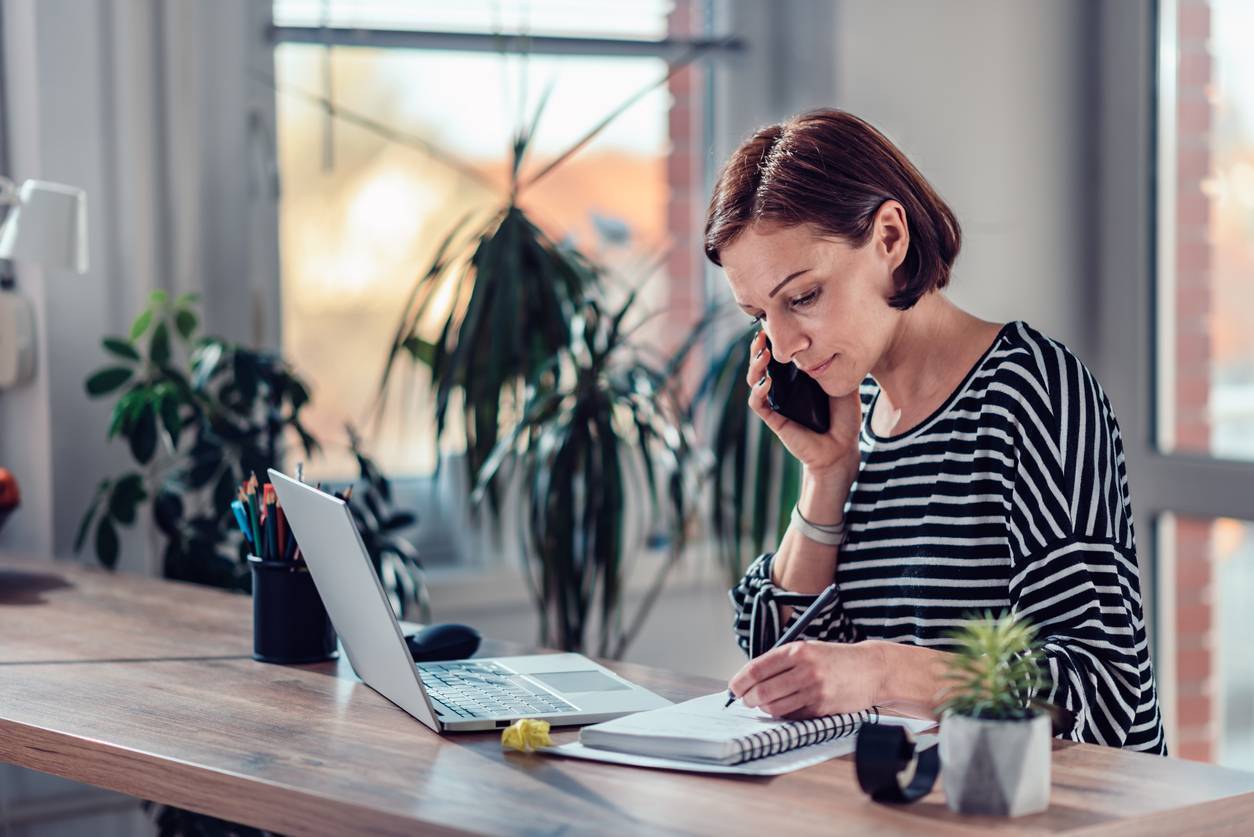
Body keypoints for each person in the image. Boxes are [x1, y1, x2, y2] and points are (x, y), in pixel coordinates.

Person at [708, 108, 1165, 753]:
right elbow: (783, 669)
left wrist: (884, 669)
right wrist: (826, 477)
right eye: (760, 314)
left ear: (890, 237)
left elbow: (1107, 692)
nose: (781, 346)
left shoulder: (1032, 393)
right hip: (909, 806)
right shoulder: (855, 415)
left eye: (803, 297)